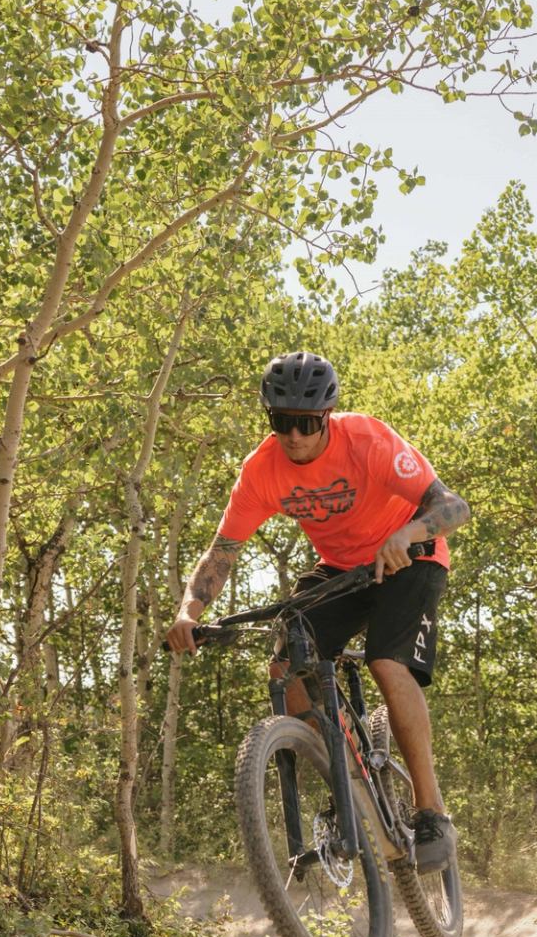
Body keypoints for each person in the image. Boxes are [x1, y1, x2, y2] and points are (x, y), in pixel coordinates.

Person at [166, 351, 468, 871]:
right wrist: (189, 610)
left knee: (386, 662)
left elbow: (453, 508)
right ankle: (343, 778)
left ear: (326, 417)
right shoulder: (262, 471)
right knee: (286, 664)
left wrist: (409, 531)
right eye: (281, 422)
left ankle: (430, 811)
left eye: (306, 423)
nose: (294, 435)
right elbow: (222, 553)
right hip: (342, 569)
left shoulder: (368, 441)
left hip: (410, 557)